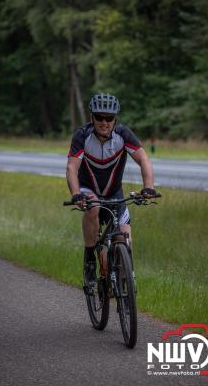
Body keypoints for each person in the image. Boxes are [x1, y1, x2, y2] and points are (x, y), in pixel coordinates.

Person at [66, 93, 157, 288]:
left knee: (126, 241)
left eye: (109, 118)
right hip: (88, 189)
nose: (104, 122)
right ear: (92, 117)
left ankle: (125, 294)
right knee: (93, 209)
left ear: (115, 119)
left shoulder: (123, 134)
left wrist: (148, 187)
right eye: (100, 117)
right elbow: (72, 167)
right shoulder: (82, 135)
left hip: (115, 193)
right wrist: (75, 193)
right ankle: (90, 259)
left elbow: (144, 160)